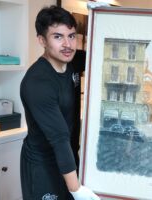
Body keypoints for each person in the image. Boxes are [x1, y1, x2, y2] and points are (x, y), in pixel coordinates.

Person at [20, 5, 100, 200]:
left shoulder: (72, 61)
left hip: (69, 160)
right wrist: (76, 190)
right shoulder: (38, 83)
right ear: (42, 40)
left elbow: (103, 53)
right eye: (58, 37)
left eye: (71, 36)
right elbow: (59, 137)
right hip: (43, 166)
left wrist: (106, 18)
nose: (67, 44)